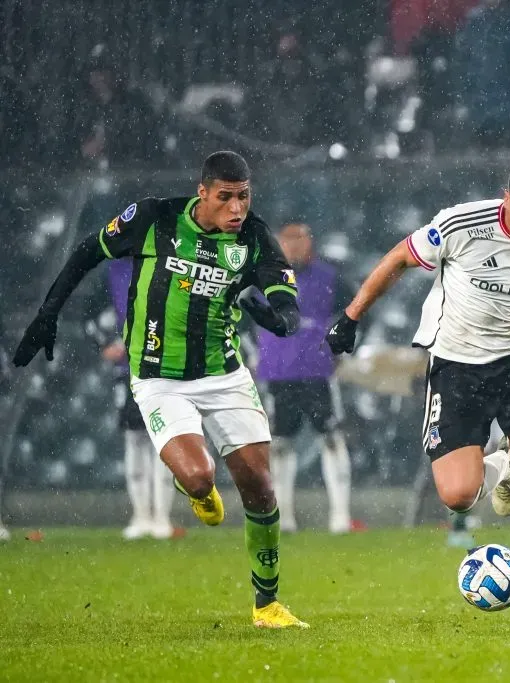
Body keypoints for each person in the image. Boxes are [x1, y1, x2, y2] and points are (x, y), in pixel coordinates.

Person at [12, 151, 308, 629]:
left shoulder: (253, 235)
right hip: (158, 377)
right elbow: (88, 250)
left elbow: (284, 299)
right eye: (227, 198)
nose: (237, 209)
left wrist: (280, 319)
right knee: (198, 478)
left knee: (260, 488)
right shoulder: (154, 218)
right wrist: (48, 314)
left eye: (245, 197)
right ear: (204, 193)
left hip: (224, 375)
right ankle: (193, 483)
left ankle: (267, 604)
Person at [327, 152, 510, 628]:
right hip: (457, 365)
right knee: (458, 495)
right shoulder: (461, 224)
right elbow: (399, 258)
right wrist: (352, 315)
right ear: (506, 197)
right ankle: (502, 463)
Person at [256, 222, 354, 534]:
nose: (294, 246)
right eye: (287, 239)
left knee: (331, 437)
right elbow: (244, 316)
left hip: (319, 371)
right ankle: (283, 517)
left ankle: (340, 516)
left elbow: (355, 312)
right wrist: (252, 353)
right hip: (277, 373)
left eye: (299, 238)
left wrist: (343, 348)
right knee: (280, 443)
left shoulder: (330, 279)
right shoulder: (264, 277)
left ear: (310, 241)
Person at [89, 257, 175, 540]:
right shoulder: (113, 270)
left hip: (167, 367)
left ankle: (162, 516)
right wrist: (104, 344)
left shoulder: (171, 261)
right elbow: (90, 314)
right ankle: (141, 515)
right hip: (129, 369)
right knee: (135, 437)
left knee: (165, 439)